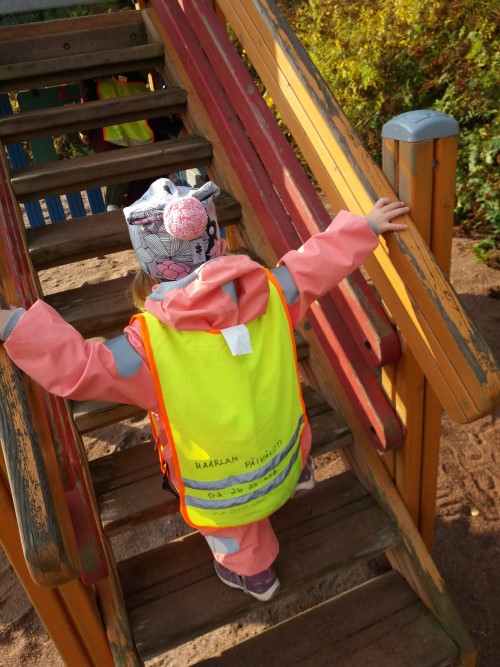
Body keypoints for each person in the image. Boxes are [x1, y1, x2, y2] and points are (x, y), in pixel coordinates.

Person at [0, 178, 408, 602]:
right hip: (281, 443)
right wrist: (366, 227)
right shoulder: (274, 292)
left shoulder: (146, 348)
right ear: (222, 244)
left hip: (220, 482)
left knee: (235, 530)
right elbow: (316, 264)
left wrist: (15, 326)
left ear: (150, 271)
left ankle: (255, 576)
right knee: (283, 456)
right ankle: (296, 480)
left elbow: (81, 367)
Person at [79, 73, 184, 210]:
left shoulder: (98, 87)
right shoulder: (137, 86)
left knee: (119, 171)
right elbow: (158, 121)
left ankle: (113, 205)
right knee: (141, 170)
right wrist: (174, 125)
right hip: (143, 137)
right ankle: (167, 173)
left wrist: (84, 133)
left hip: (112, 139)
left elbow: (87, 108)